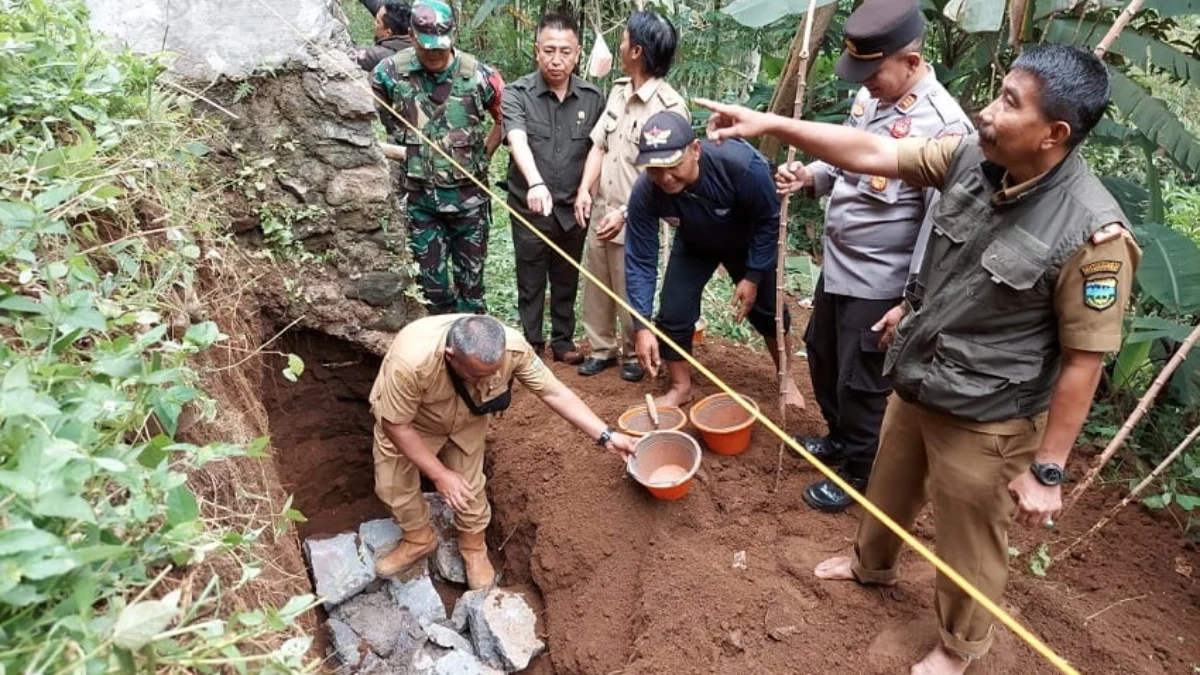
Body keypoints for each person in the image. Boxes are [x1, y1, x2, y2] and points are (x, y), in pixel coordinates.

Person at [698, 44, 1140, 674]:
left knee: (970, 538)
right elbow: (874, 153)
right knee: (889, 484)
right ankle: (869, 566)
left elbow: (1083, 360)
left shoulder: (1093, 235)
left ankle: (958, 648)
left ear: (1054, 134)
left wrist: (1047, 471)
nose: (987, 112)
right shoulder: (970, 158)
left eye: (1010, 103)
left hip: (988, 414)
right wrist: (771, 124)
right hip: (921, 376)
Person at [777, 0, 972, 513]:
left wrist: (911, 301)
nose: (864, 82)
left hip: (882, 283)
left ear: (911, 62)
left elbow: (940, 229)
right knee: (822, 356)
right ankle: (839, 441)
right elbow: (848, 162)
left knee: (863, 381)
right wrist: (810, 177)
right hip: (838, 269)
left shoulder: (944, 128)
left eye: (874, 71)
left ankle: (860, 472)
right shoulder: (873, 102)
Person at [369, 314, 636, 589]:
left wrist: (606, 436)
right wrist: (438, 474)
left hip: (466, 421)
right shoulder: (410, 363)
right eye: (479, 375)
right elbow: (396, 425)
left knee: (469, 485)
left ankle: (473, 547)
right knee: (393, 485)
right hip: (413, 422)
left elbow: (553, 392)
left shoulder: (512, 348)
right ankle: (418, 538)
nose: (494, 378)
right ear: (451, 356)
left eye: (496, 371)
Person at [624, 111, 805, 410]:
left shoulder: (741, 166)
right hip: (695, 243)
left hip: (747, 243)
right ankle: (681, 387)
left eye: (672, 166)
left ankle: (785, 377)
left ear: (695, 150)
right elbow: (641, 260)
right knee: (673, 312)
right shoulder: (646, 192)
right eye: (655, 169)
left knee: (767, 311)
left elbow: (768, 220)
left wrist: (754, 275)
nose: (665, 177)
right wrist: (641, 325)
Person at [573, 10, 687, 382]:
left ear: (636, 50)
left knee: (630, 283)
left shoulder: (669, 107)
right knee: (597, 282)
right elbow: (599, 146)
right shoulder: (619, 92)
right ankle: (602, 349)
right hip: (601, 206)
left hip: (634, 215)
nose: (619, 45)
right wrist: (584, 191)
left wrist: (624, 211)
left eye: (623, 40)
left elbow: (669, 173)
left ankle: (633, 351)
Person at [372, 0, 504, 315]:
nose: (435, 54)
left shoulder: (480, 75)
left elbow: (506, 119)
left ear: (453, 36)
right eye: (427, 46)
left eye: (441, 48)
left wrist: (481, 156)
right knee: (431, 291)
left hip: (469, 205)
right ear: (412, 36)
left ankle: (473, 353)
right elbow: (374, 120)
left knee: (471, 291)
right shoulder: (389, 74)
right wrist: (404, 150)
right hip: (420, 204)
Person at [500, 12, 604, 365]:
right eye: (549, 50)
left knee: (566, 276)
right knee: (530, 279)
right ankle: (531, 345)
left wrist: (588, 189)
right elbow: (517, 139)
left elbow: (598, 149)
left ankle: (563, 341)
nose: (556, 60)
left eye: (565, 51)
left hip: (573, 207)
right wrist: (536, 183)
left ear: (577, 53)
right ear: (537, 51)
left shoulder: (592, 98)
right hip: (530, 204)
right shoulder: (517, 94)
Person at [355, 0, 412, 72]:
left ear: (388, 32)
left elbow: (348, 53)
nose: (374, 23)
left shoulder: (382, 56)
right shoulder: (414, 28)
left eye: (377, 22)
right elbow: (378, 5)